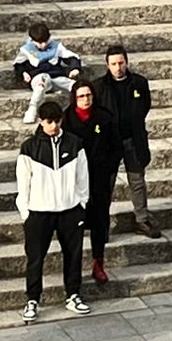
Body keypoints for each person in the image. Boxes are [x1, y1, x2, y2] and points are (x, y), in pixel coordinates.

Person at [16, 101, 89, 321]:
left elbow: (83, 178)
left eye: (57, 121)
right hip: (39, 213)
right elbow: (23, 182)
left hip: (69, 211)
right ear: (40, 121)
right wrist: (26, 212)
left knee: (73, 255)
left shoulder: (75, 143)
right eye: (49, 122)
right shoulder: (29, 147)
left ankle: (73, 295)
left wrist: (81, 204)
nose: (54, 126)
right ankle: (32, 300)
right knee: (35, 258)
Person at [95, 45, 160, 238]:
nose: (118, 67)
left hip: (133, 140)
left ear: (127, 62)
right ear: (107, 64)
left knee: (137, 181)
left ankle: (142, 219)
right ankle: (102, 224)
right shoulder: (99, 86)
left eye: (121, 63)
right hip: (109, 143)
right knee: (106, 184)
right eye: (114, 64)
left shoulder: (139, 83)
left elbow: (144, 106)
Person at [65, 81, 118, 285]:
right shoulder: (66, 119)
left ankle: (98, 264)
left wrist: (108, 166)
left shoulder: (104, 117)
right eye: (81, 96)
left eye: (88, 95)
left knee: (99, 222)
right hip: (74, 180)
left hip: (99, 178)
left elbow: (116, 146)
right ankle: (74, 267)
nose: (86, 100)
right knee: (74, 224)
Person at [12, 19, 80, 126]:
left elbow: (71, 57)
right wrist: (23, 73)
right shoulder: (27, 50)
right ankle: (32, 108)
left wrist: (75, 68)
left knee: (75, 86)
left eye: (45, 41)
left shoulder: (56, 47)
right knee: (40, 85)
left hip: (56, 77)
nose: (43, 45)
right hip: (39, 77)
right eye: (39, 42)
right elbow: (18, 64)